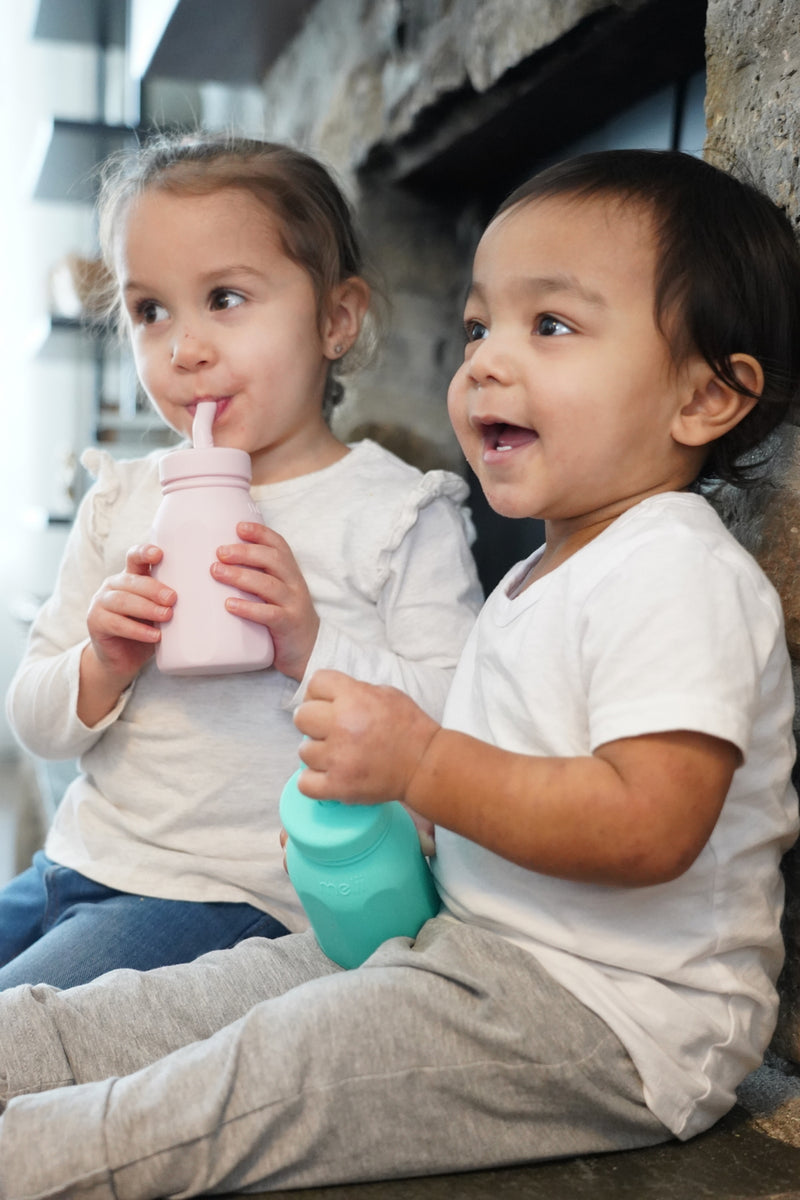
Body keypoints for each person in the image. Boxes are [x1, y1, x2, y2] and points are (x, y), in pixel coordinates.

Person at [0, 148, 798, 1199]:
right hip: (463, 946)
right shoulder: (544, 576)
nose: (484, 364)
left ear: (703, 396)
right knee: (160, 1009)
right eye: (478, 328)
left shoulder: (678, 569)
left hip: (609, 1015)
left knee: (249, 1079)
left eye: (547, 325)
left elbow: (647, 827)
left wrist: (418, 763)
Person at [0, 133, 482, 991]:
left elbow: (464, 723)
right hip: (76, 863)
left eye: (224, 298)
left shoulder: (393, 512)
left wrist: (312, 645)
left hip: (236, 900)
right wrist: (100, 665)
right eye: (151, 311)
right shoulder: (123, 500)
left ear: (336, 320)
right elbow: (33, 719)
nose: (183, 349)